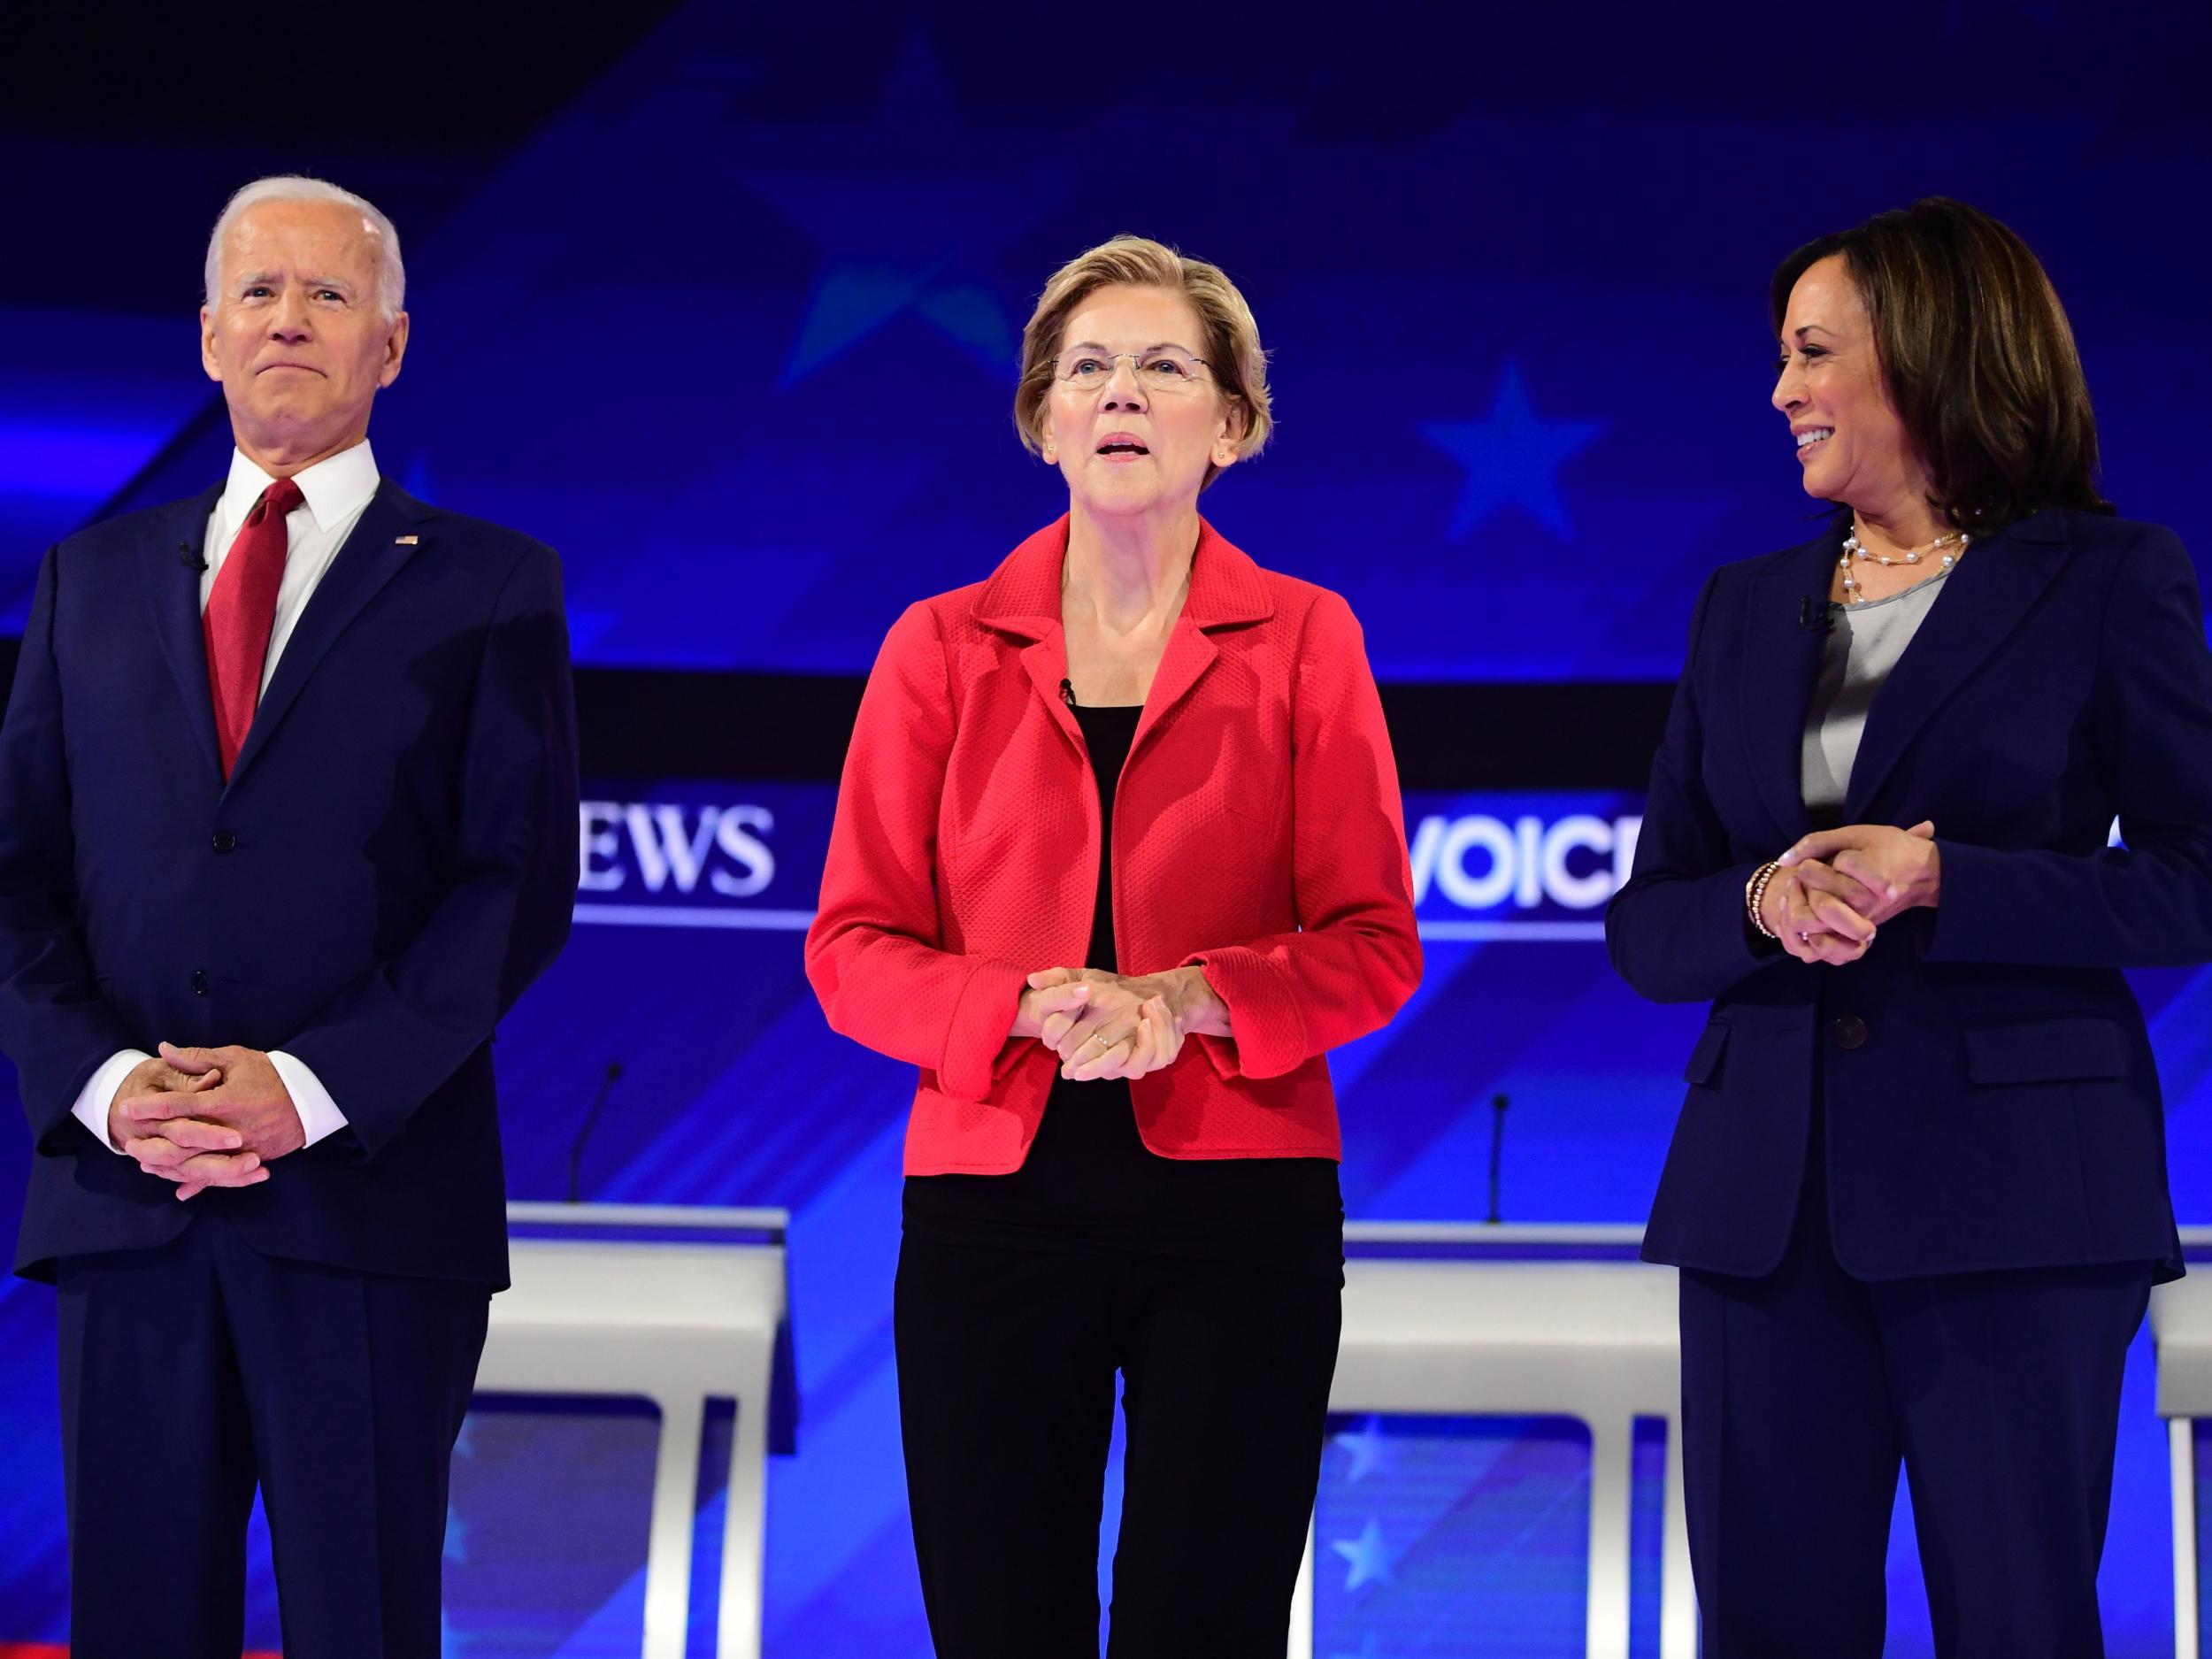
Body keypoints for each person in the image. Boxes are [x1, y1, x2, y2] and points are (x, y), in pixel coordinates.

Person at [1606, 196, 2212, 1656]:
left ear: (1931, 354)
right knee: (1770, 1627)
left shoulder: (2108, 581)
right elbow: (1650, 922)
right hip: (1764, 1213)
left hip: (2017, 1208)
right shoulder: (1744, 608)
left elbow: (2195, 879)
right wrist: (1762, 902)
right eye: (1781, 357)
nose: (1782, 392)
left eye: (1814, 353)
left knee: (2016, 1623)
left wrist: (1953, 881)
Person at [805, 235, 1420, 1656]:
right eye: (1088, 367)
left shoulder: (1309, 642)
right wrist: (1020, 1003)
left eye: (1163, 368)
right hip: (991, 1213)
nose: (1121, 394)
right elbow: (851, 946)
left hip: (1241, 1215)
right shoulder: (938, 647)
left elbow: (1375, 943)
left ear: (1234, 424)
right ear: (1042, 419)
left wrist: (1188, 1004)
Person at [0, 175, 579, 1657]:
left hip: (369, 1213)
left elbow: (511, 888)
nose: (288, 321)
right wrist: (119, 1087)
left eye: (328, 295)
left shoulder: (489, 586)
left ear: (391, 342)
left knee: (362, 1624)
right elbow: (18, 876)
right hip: (133, 1206)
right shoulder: (87, 581)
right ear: (206, 338)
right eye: (258, 293)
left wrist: (305, 1093)